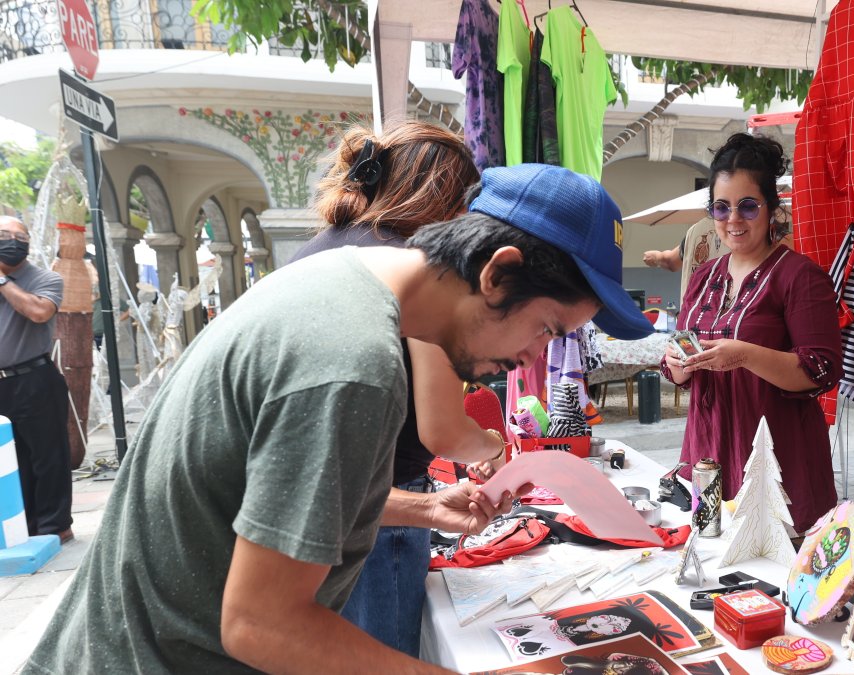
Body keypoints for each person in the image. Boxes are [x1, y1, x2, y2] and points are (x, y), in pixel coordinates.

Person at [23, 161, 653, 674]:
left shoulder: (339, 281)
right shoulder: (355, 362)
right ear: (498, 272)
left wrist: (423, 509)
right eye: (547, 329)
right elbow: (263, 625)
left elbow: (260, 494)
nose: (534, 358)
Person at [291, 122, 499, 656]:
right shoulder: (414, 268)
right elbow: (443, 430)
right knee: (384, 652)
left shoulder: (313, 253)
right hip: (381, 509)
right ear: (448, 200)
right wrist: (495, 447)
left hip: (307, 503)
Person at [661, 133, 843, 532]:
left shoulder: (800, 277)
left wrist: (744, 355)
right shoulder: (703, 277)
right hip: (708, 452)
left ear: (771, 208)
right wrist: (678, 363)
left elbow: (822, 370)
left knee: (778, 566)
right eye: (721, 207)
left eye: (747, 206)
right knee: (713, 560)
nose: (733, 220)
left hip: (778, 460)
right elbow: (677, 367)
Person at [0, 215, 73, 543]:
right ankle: (24, 525)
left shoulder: (46, 278)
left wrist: (2, 281)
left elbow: (39, 312)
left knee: (47, 456)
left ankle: (55, 526)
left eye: (20, 237)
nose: (13, 242)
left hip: (34, 378)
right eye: (4, 235)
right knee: (11, 458)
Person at [642, 217, 726, 306]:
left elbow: (670, 261)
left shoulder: (695, 231)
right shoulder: (734, 229)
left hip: (694, 310)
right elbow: (670, 261)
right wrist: (655, 256)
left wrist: (655, 256)